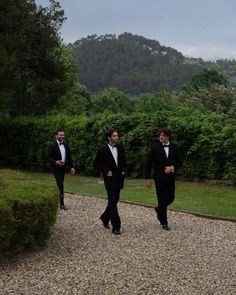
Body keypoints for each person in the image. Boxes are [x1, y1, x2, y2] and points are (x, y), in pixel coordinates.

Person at [145, 128, 182, 230]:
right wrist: (147, 177)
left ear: (168, 137)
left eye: (163, 135)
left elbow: (179, 162)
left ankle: (159, 209)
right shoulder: (155, 147)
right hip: (159, 178)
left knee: (171, 197)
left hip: (170, 177)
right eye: (160, 135)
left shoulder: (174, 147)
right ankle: (164, 222)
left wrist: (172, 168)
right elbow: (149, 163)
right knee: (161, 199)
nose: (161, 137)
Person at [93, 129, 126, 235]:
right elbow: (96, 164)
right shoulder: (102, 150)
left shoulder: (120, 148)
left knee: (115, 199)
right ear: (109, 137)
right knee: (112, 201)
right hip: (110, 179)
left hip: (119, 178)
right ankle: (116, 226)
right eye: (114, 136)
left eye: (117, 135)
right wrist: (106, 171)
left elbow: (123, 161)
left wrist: (124, 171)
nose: (117, 137)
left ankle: (104, 217)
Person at [48, 129, 75, 210]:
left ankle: (55, 198)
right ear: (56, 136)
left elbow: (69, 156)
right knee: (61, 185)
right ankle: (62, 204)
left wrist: (72, 167)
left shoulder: (66, 144)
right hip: (56, 168)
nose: (62, 136)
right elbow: (49, 158)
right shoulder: (52, 145)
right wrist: (56, 162)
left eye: (63, 135)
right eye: (60, 135)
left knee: (60, 184)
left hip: (63, 168)